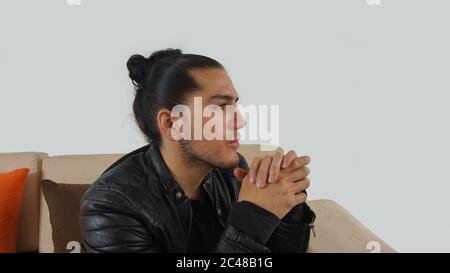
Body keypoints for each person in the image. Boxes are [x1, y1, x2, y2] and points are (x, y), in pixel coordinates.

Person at [79, 48, 315, 253]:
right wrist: (252, 219)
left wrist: (286, 207)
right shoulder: (110, 205)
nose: (240, 120)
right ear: (172, 124)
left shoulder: (231, 173)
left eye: (235, 105)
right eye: (221, 107)